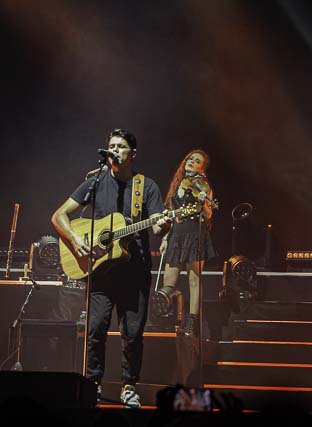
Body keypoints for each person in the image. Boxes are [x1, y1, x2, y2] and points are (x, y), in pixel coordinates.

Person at [52, 129, 171, 408]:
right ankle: (92, 384)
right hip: (101, 272)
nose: (115, 149)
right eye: (111, 146)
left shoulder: (147, 186)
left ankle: (129, 385)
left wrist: (164, 223)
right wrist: (75, 239)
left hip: (135, 271)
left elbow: (155, 224)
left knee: (132, 334)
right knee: (95, 330)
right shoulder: (95, 182)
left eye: (120, 146)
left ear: (132, 153)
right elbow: (59, 215)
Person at [154, 149, 216, 337]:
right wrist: (165, 238)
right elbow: (171, 213)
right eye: (190, 158)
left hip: (195, 233)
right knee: (168, 282)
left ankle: (191, 323)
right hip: (176, 235)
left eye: (197, 161)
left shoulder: (203, 186)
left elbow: (208, 215)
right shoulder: (178, 183)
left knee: (193, 280)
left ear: (202, 168)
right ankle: (170, 318)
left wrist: (204, 201)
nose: (192, 161)